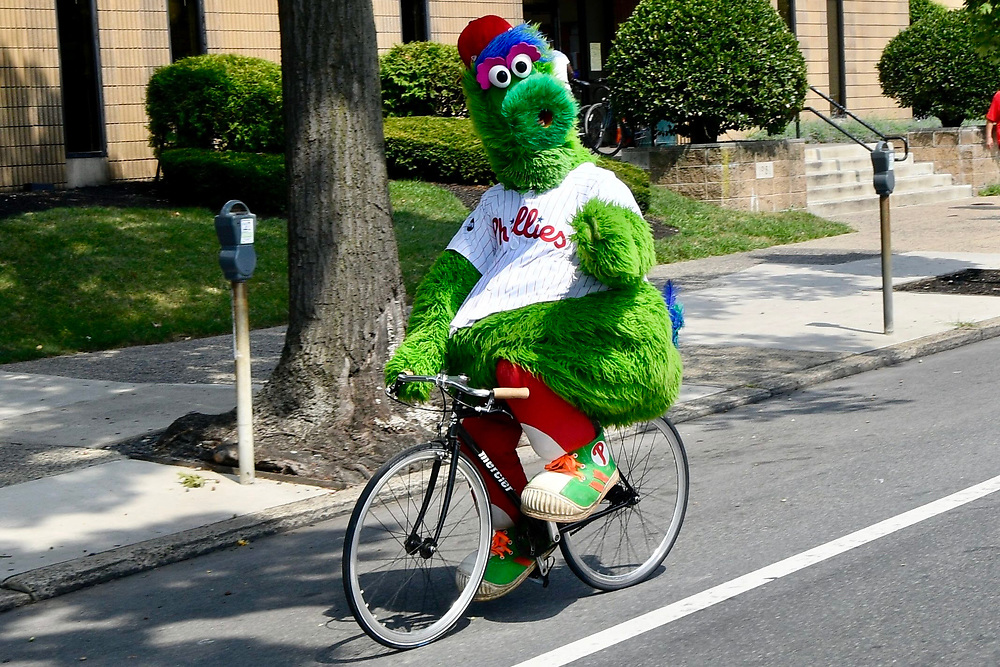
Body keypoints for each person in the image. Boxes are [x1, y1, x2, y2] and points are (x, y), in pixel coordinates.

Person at [385, 15, 682, 602]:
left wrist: (610, 248)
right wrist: (420, 343)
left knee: (514, 357)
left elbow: (631, 251)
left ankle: (585, 459)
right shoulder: (496, 201)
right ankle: (517, 534)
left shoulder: (590, 182)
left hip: (588, 330)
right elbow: (452, 274)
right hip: (501, 331)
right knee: (473, 426)